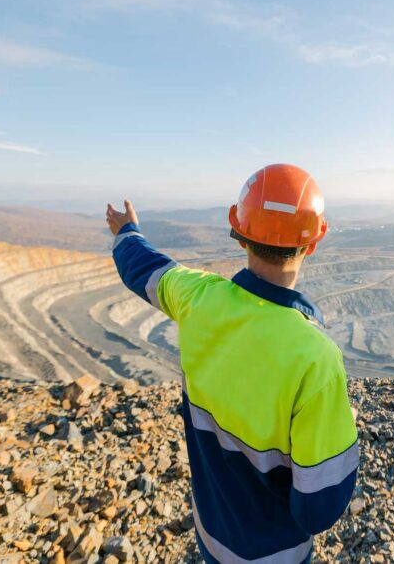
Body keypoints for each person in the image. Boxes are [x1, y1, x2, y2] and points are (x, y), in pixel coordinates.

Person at [106, 163, 358, 564]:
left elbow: (145, 268)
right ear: (313, 242)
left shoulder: (198, 297)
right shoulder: (317, 360)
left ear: (239, 231)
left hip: (211, 534)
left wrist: (126, 231)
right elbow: (318, 509)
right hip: (277, 554)